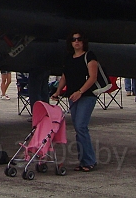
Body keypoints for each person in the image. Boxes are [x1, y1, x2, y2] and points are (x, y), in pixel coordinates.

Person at [52, 30, 99, 172]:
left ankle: (89, 160)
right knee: (78, 128)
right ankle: (84, 160)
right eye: (73, 40)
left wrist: (80, 92)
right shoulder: (68, 58)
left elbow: (93, 77)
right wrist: (58, 91)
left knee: (81, 126)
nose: (76, 42)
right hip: (72, 96)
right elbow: (64, 77)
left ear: (83, 41)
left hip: (86, 95)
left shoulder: (89, 56)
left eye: (79, 39)